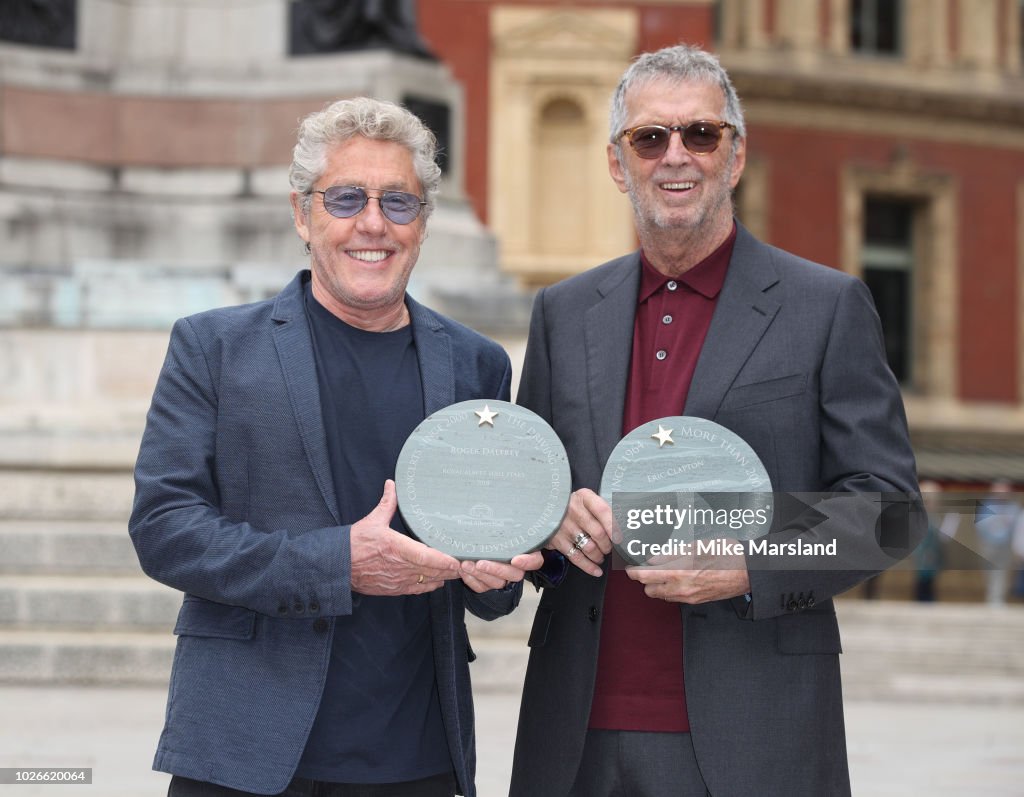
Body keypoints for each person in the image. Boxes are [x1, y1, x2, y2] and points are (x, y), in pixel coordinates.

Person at [509, 45, 922, 797]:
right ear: (615, 161)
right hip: (575, 737)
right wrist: (550, 523)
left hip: (756, 734)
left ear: (734, 158)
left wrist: (748, 564)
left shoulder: (824, 307)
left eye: (701, 134)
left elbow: (889, 511)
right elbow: (527, 494)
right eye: (650, 137)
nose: (677, 156)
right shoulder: (563, 314)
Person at [129, 97, 541, 797]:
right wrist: (337, 563)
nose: (373, 223)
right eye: (346, 198)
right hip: (244, 755)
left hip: (418, 756)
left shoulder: (478, 366)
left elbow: (490, 573)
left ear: (423, 222)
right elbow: (164, 529)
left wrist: (500, 568)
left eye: (399, 202)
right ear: (302, 213)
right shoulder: (214, 349)